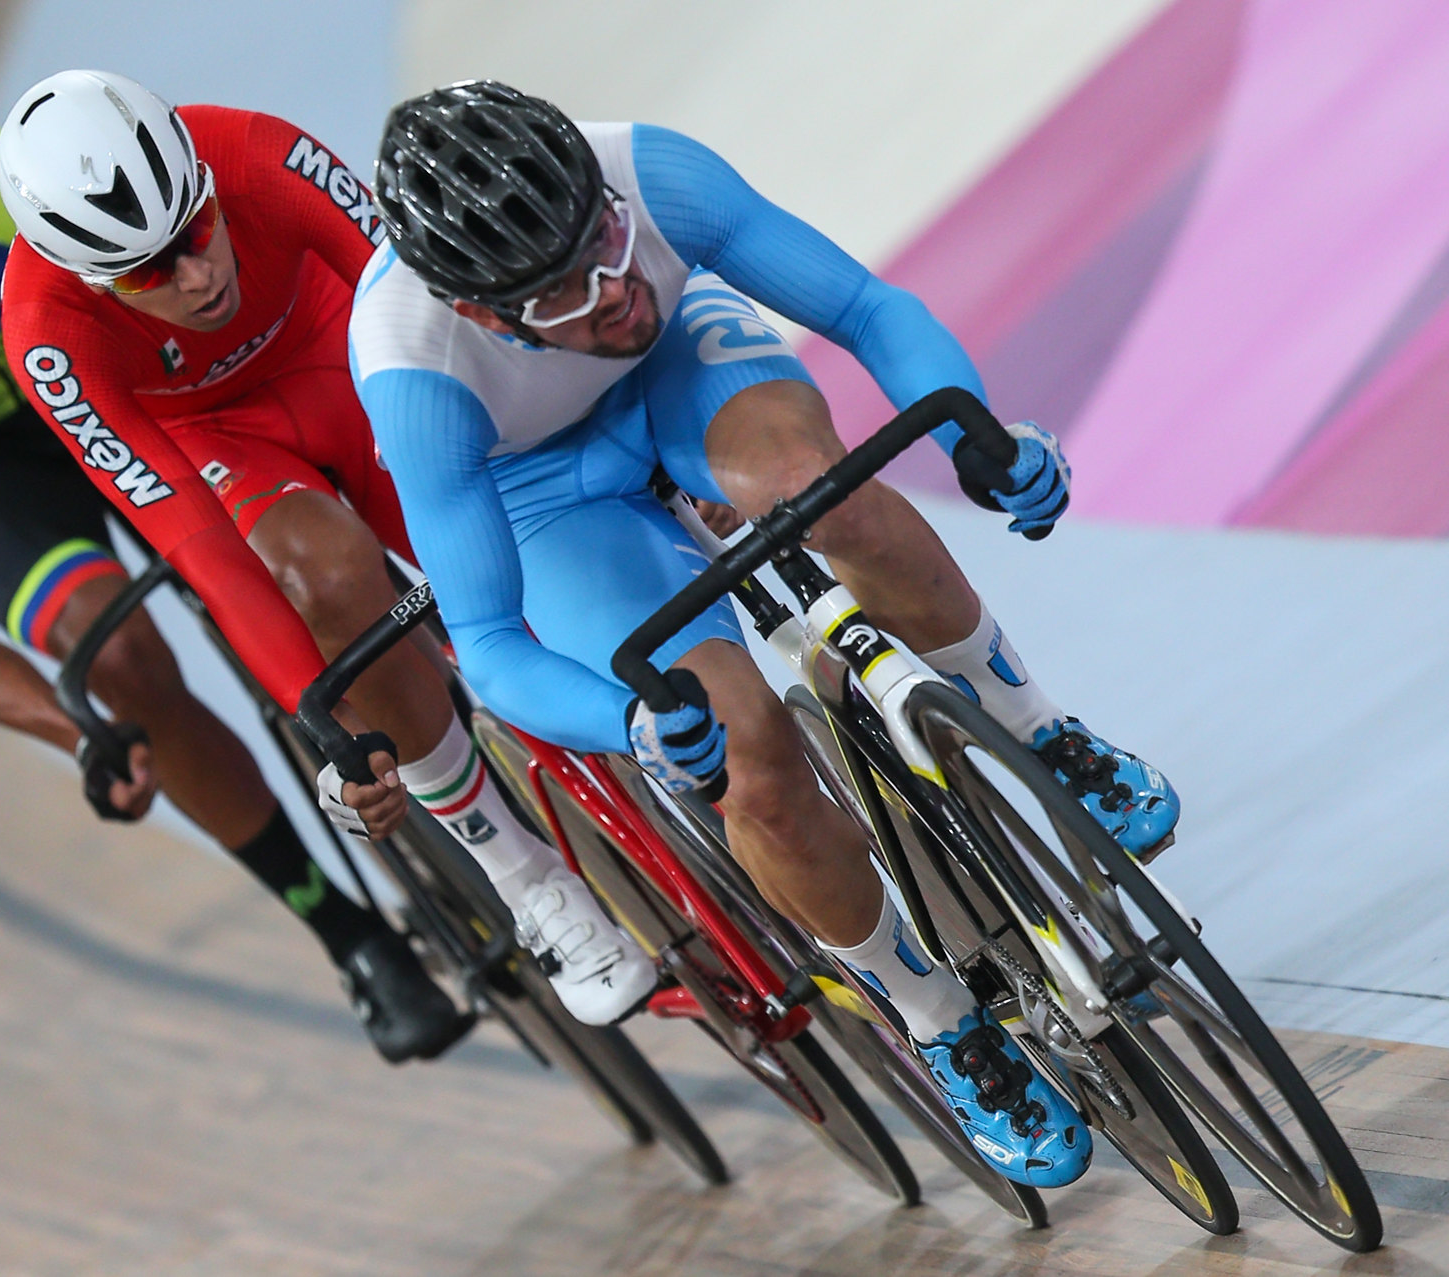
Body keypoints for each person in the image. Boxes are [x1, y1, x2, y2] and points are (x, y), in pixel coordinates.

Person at [354, 81, 1186, 1187]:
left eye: (602, 243)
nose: (609, 291)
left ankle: (1042, 729)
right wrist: (635, 722)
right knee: (743, 753)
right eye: (560, 291)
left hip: (680, 375)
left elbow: (866, 309)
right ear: (483, 314)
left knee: (825, 493)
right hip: (542, 490)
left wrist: (972, 432)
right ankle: (939, 1019)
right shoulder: (415, 373)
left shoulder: (650, 174)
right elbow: (491, 644)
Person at [0, 93, 466, 1063]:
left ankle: (435, 682)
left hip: (109, 384)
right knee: (114, 655)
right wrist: (78, 732)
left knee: (277, 546)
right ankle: (353, 936)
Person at [0, 70, 657, 1025]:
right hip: (224, 440)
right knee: (325, 576)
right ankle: (522, 876)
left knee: (501, 512)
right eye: (148, 272)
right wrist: (327, 726)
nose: (197, 275)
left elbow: (436, 302)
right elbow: (200, 548)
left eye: (195, 230)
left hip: (345, 350)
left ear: (201, 179)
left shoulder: (255, 150)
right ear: (96, 281)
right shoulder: (48, 337)